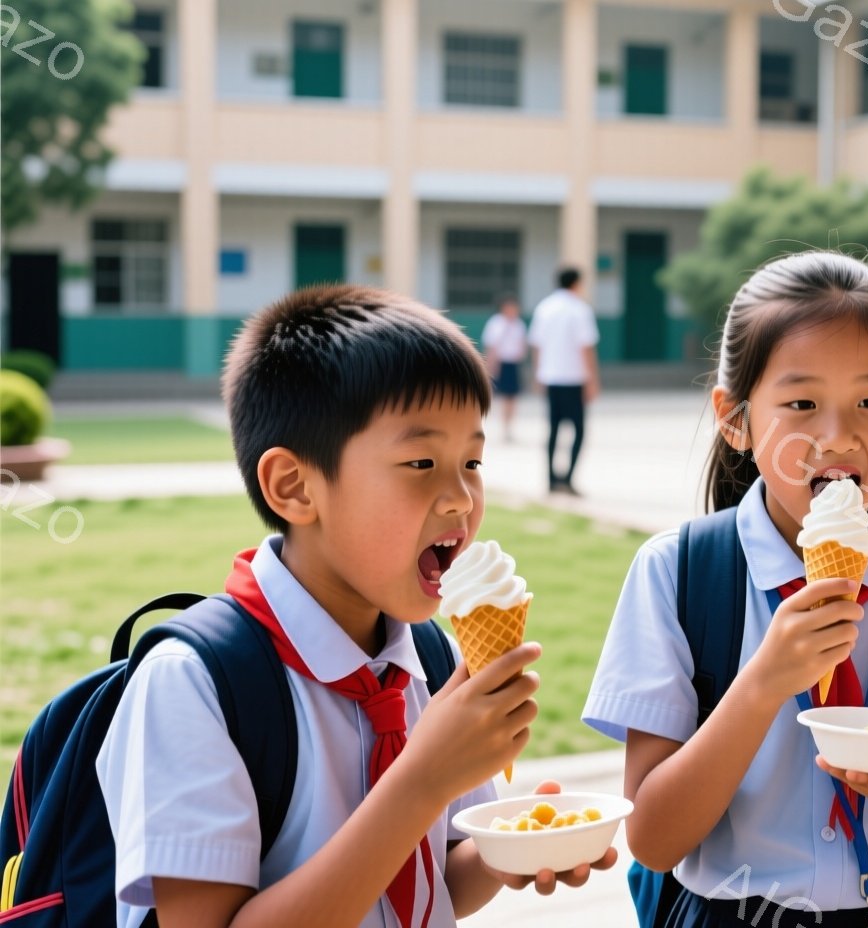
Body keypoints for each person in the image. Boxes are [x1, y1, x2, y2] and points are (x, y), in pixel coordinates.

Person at [96, 284, 615, 928]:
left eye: (473, 461)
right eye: (422, 460)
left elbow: (429, 879)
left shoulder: (429, 656)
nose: (460, 498)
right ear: (294, 487)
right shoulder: (195, 684)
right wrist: (419, 782)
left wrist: (503, 856)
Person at [583, 251, 868, 927]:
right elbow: (653, 840)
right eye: (801, 403)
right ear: (735, 419)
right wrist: (764, 682)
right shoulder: (677, 576)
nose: (839, 436)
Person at [529, 267, 601, 495]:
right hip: (574, 378)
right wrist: (592, 379)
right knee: (578, 430)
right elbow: (586, 347)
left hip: (551, 377)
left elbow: (537, 345)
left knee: (553, 429)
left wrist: (538, 373)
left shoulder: (544, 308)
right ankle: (568, 478)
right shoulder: (580, 309)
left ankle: (551, 479)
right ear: (576, 283)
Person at [481, 292, 528, 442]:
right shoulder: (496, 323)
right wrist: (490, 366)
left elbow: (522, 344)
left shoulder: (519, 324)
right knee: (494, 396)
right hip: (499, 363)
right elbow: (491, 346)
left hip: (513, 363)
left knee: (511, 397)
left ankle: (508, 427)